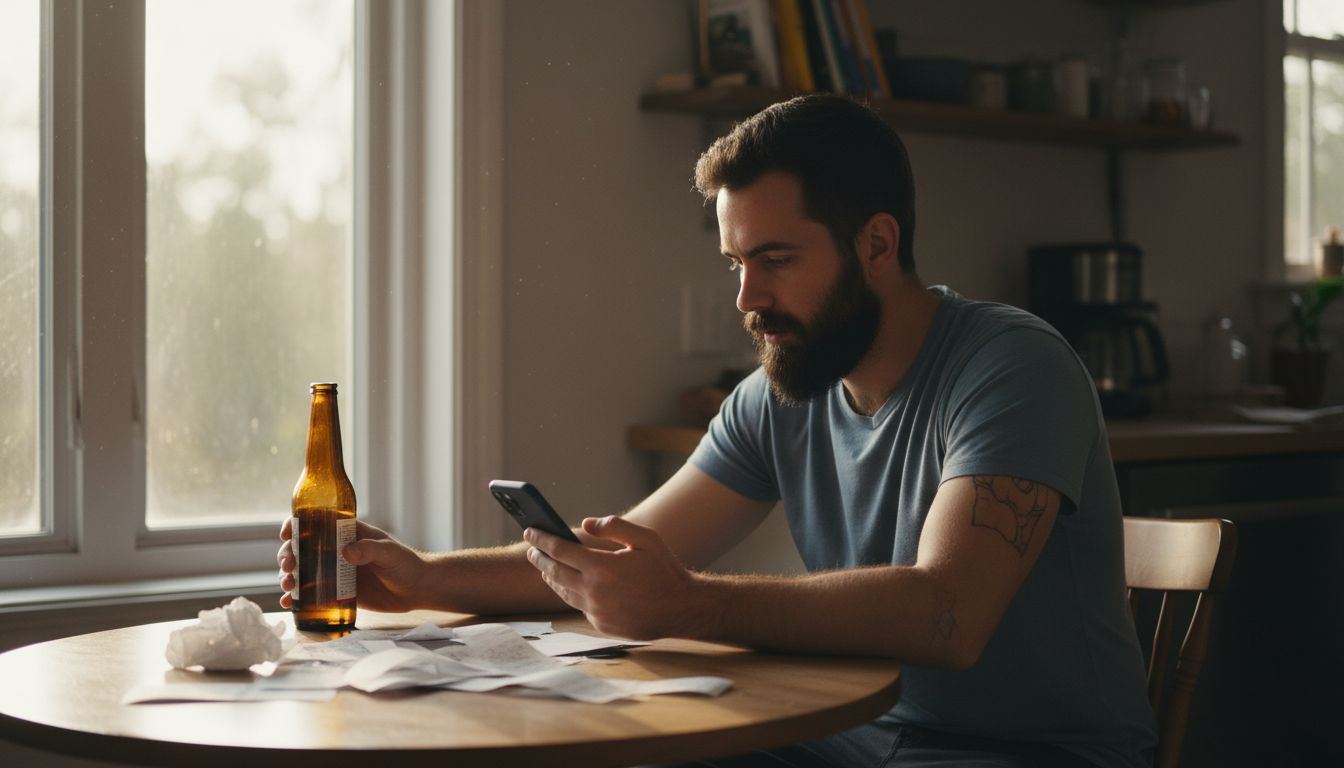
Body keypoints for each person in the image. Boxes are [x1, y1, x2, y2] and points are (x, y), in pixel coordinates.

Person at [277, 94, 1156, 768]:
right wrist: (422, 577)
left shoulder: (1012, 366)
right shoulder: (785, 390)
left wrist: (690, 602)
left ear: (878, 245)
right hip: (859, 740)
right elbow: (628, 564)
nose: (747, 299)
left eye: (776, 260)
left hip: (1035, 753)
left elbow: (949, 614)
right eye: (737, 263)